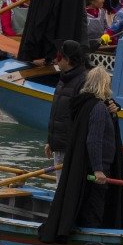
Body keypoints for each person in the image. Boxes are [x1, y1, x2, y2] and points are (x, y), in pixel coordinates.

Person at [40, 67, 123, 242]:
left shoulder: (85, 105)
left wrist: (114, 110)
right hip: (96, 169)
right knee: (94, 209)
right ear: (104, 85)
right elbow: (93, 140)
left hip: (87, 167)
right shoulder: (97, 108)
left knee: (89, 205)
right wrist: (98, 170)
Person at [45, 39, 90, 172]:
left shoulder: (83, 82)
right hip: (59, 145)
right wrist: (51, 141)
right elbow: (56, 114)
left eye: (59, 57)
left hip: (71, 148)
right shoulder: (63, 80)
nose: (56, 60)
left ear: (68, 60)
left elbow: (83, 118)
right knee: (60, 184)